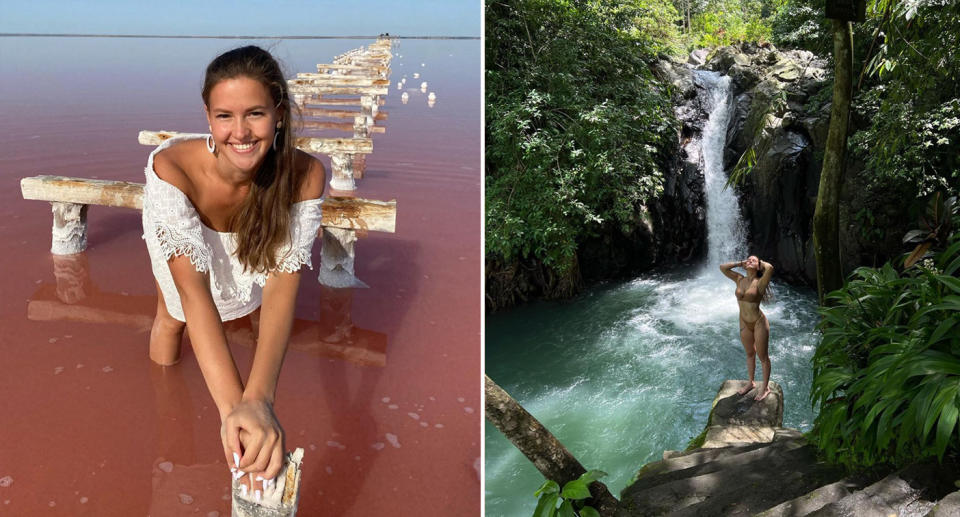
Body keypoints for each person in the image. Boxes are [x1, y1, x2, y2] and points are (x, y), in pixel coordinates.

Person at [141, 45, 326, 497]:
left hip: (247, 240)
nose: (240, 132)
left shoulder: (305, 175)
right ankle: (168, 420)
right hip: (184, 240)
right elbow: (195, 292)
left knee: (256, 310)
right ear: (207, 117)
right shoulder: (172, 170)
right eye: (225, 116)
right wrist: (234, 415)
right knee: (172, 314)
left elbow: (283, 285)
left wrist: (259, 401)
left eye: (256, 114)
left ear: (279, 114)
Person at [719, 255, 774, 401]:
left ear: (758, 266)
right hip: (743, 321)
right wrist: (740, 263)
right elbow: (722, 267)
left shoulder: (760, 282)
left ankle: (766, 387)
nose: (750, 261)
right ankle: (751, 382)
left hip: (758, 322)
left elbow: (770, 268)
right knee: (750, 353)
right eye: (748, 260)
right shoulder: (739, 279)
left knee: (762, 357)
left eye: (753, 260)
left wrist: (760, 263)